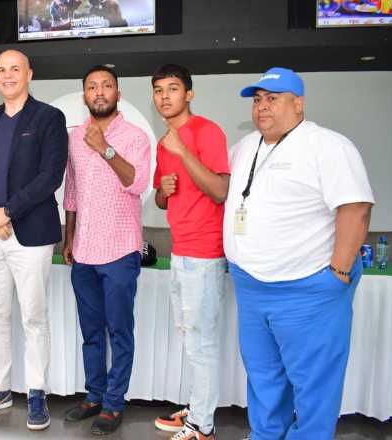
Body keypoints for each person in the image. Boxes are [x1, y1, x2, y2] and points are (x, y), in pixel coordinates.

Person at [224, 67, 374, 440]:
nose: (262, 107)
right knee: (263, 376)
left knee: (313, 385)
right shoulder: (245, 147)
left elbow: (355, 209)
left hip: (307, 289)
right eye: (257, 100)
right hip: (252, 286)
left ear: (298, 103)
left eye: (272, 99)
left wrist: (337, 273)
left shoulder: (329, 146)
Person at [0, 49, 68, 430]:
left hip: (30, 232)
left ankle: (37, 392)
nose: (8, 76)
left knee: (33, 317)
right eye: (2, 70)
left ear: (29, 74)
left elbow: (50, 176)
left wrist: (7, 213)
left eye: (15, 69)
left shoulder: (49, 118)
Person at [62, 65, 151, 436]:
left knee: (119, 331)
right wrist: (68, 238)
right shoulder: (74, 136)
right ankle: (94, 394)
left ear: (118, 92)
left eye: (106, 86)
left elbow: (138, 182)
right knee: (92, 332)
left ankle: (115, 403)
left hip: (120, 252)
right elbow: (72, 192)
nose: (99, 92)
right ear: (84, 95)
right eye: (92, 87)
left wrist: (106, 149)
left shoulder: (135, 136)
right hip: (83, 252)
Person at [150, 64, 230, 440]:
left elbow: (219, 190)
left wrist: (182, 150)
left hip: (205, 252)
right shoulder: (164, 141)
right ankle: (198, 409)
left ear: (189, 94)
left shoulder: (206, 132)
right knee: (189, 337)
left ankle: (203, 426)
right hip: (180, 251)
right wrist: (163, 190)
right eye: (158, 90)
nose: (164, 96)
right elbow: (164, 200)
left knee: (202, 342)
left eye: (173, 89)